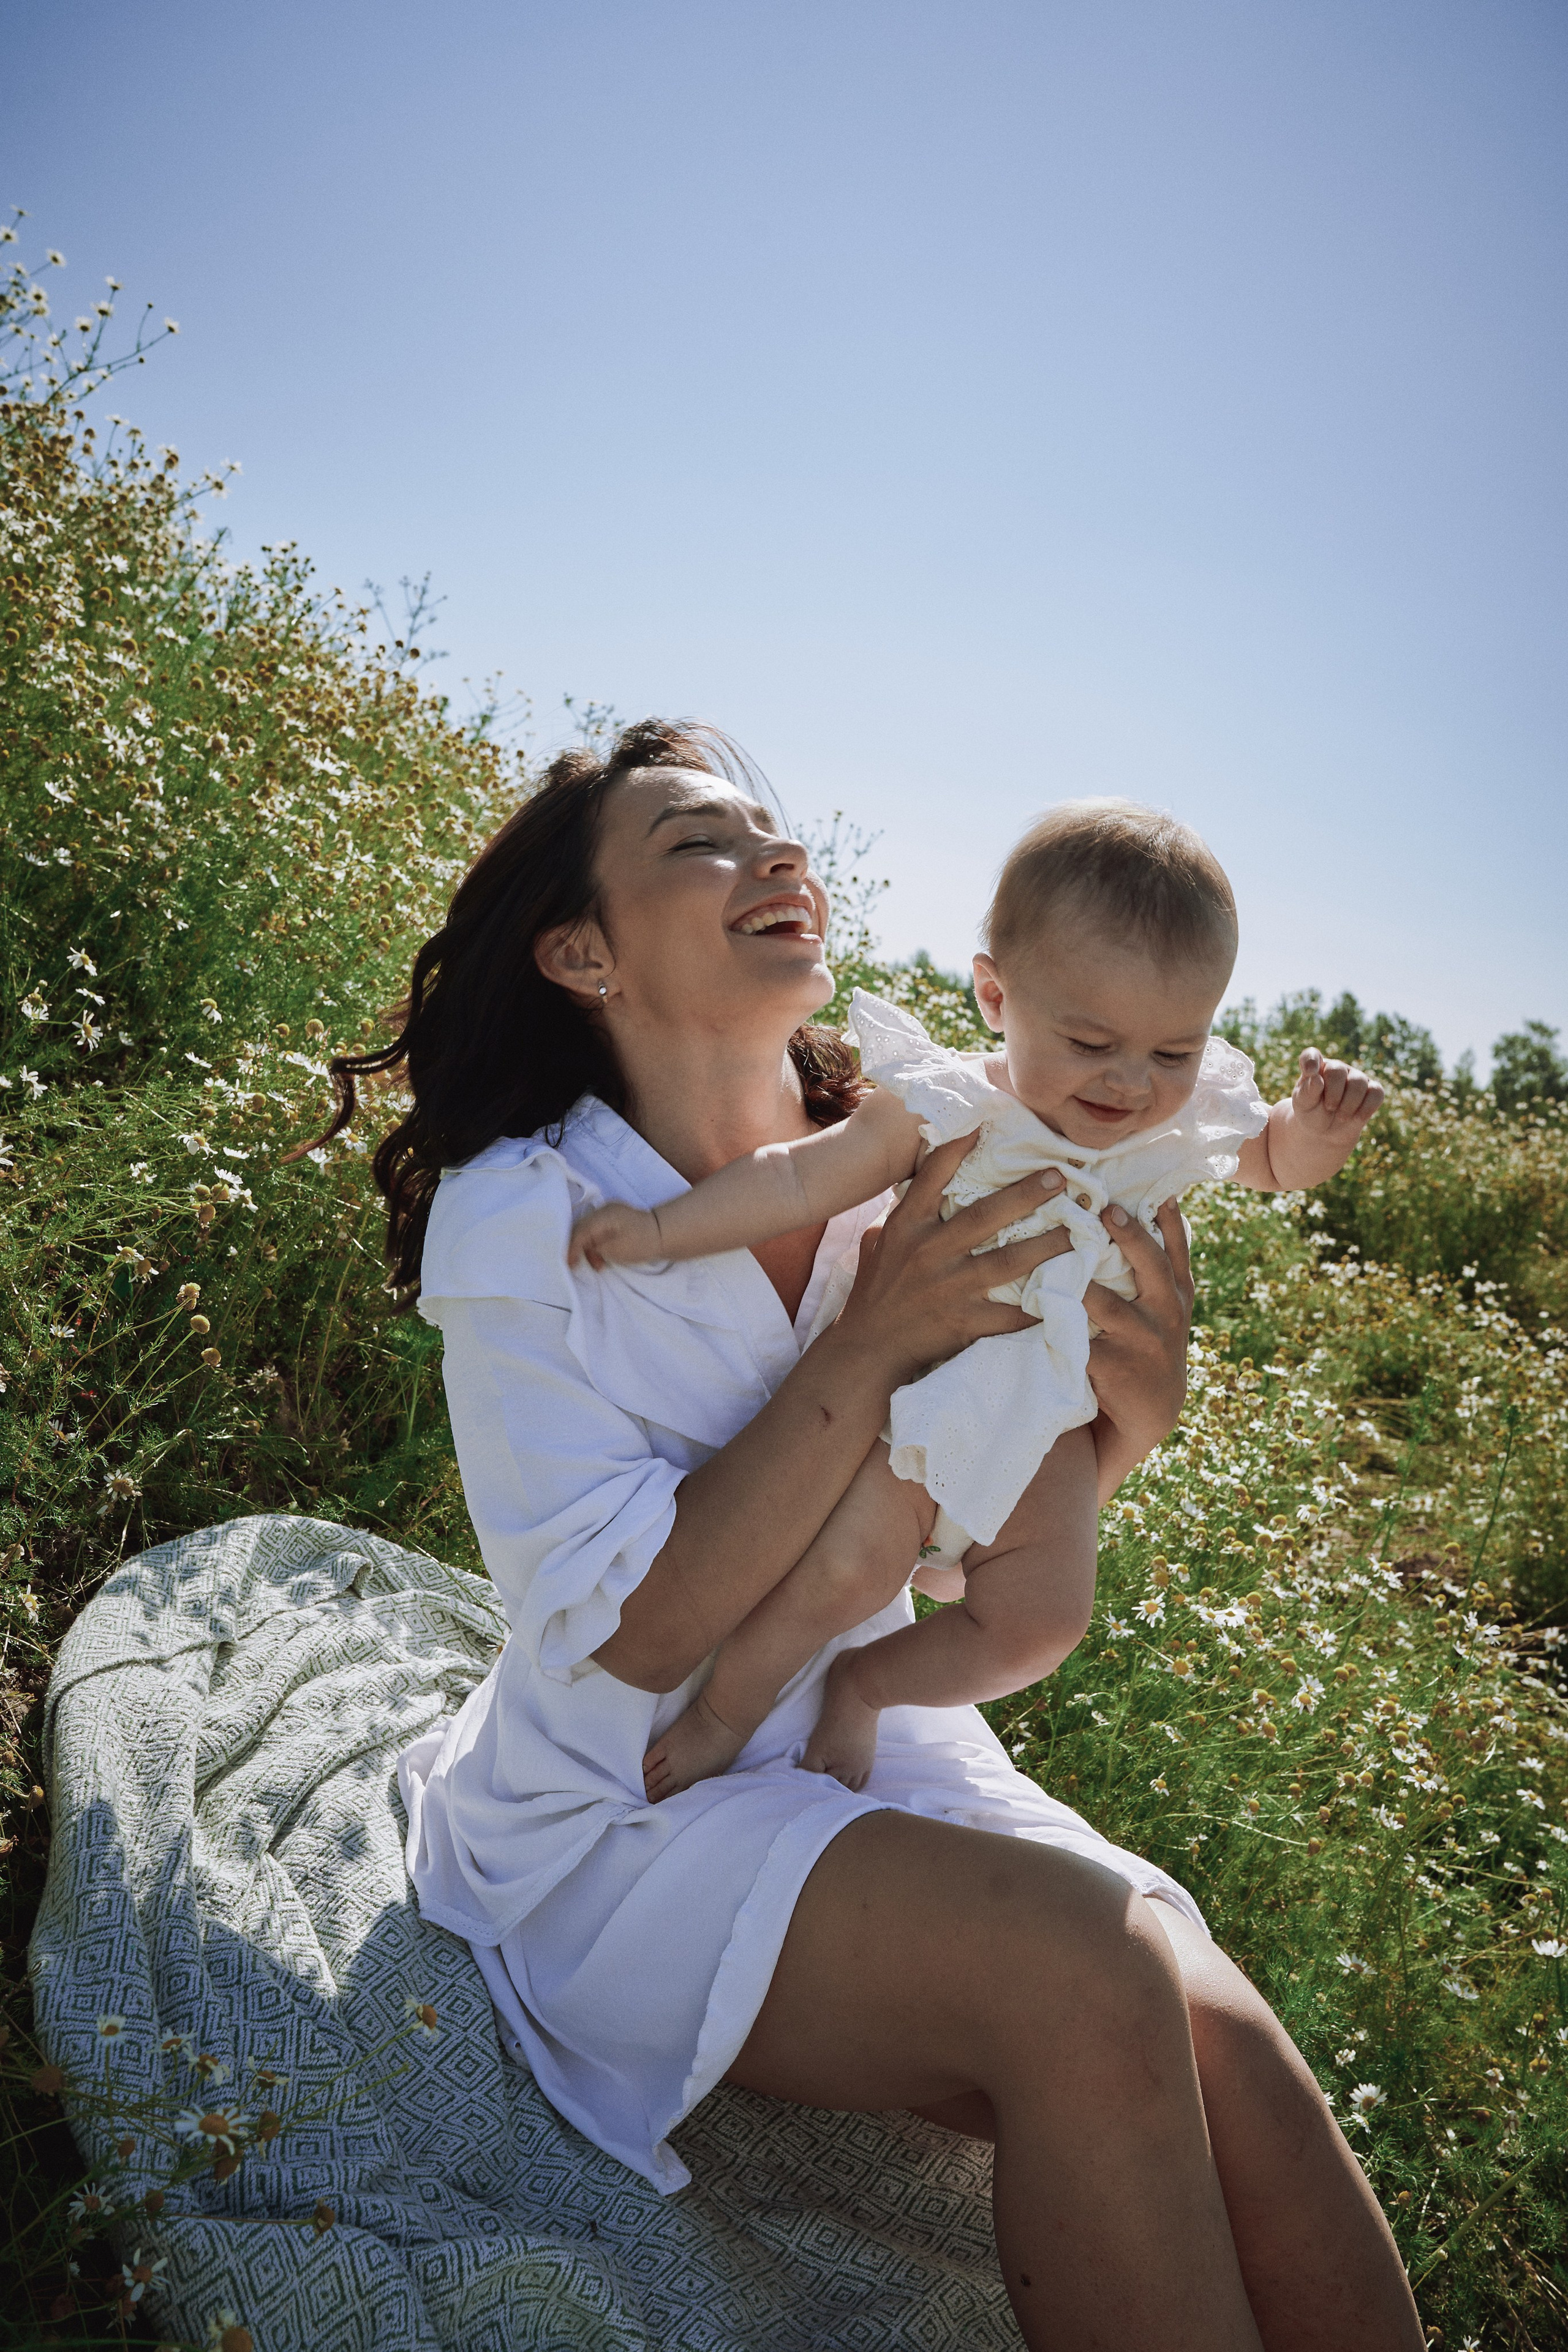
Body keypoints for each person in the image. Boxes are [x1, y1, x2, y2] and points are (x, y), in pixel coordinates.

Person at [331, 719, 1422, 2350]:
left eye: (773, 828)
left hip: (886, 1744)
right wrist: (865, 1341)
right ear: (583, 950)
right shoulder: (534, 1210)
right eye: (701, 842)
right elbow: (638, 1634)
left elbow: (959, 1534)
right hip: (630, 1803)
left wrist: (1136, 1416)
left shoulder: (922, 1131)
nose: (772, 853)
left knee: (1228, 2042)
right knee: (1084, 1972)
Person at [567, 803, 1383, 1799]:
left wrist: (1317, 1131)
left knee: (1042, 1625)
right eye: (1089, 1041)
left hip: (1049, 1429)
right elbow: (795, 1179)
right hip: (917, 1400)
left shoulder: (1171, 1135)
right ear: (996, 995)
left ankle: (868, 1689)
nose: (1132, 1082)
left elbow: (1269, 1161)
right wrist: (661, 1230)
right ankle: (724, 1715)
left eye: (1175, 1053)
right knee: (840, 1580)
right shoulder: (952, 1106)